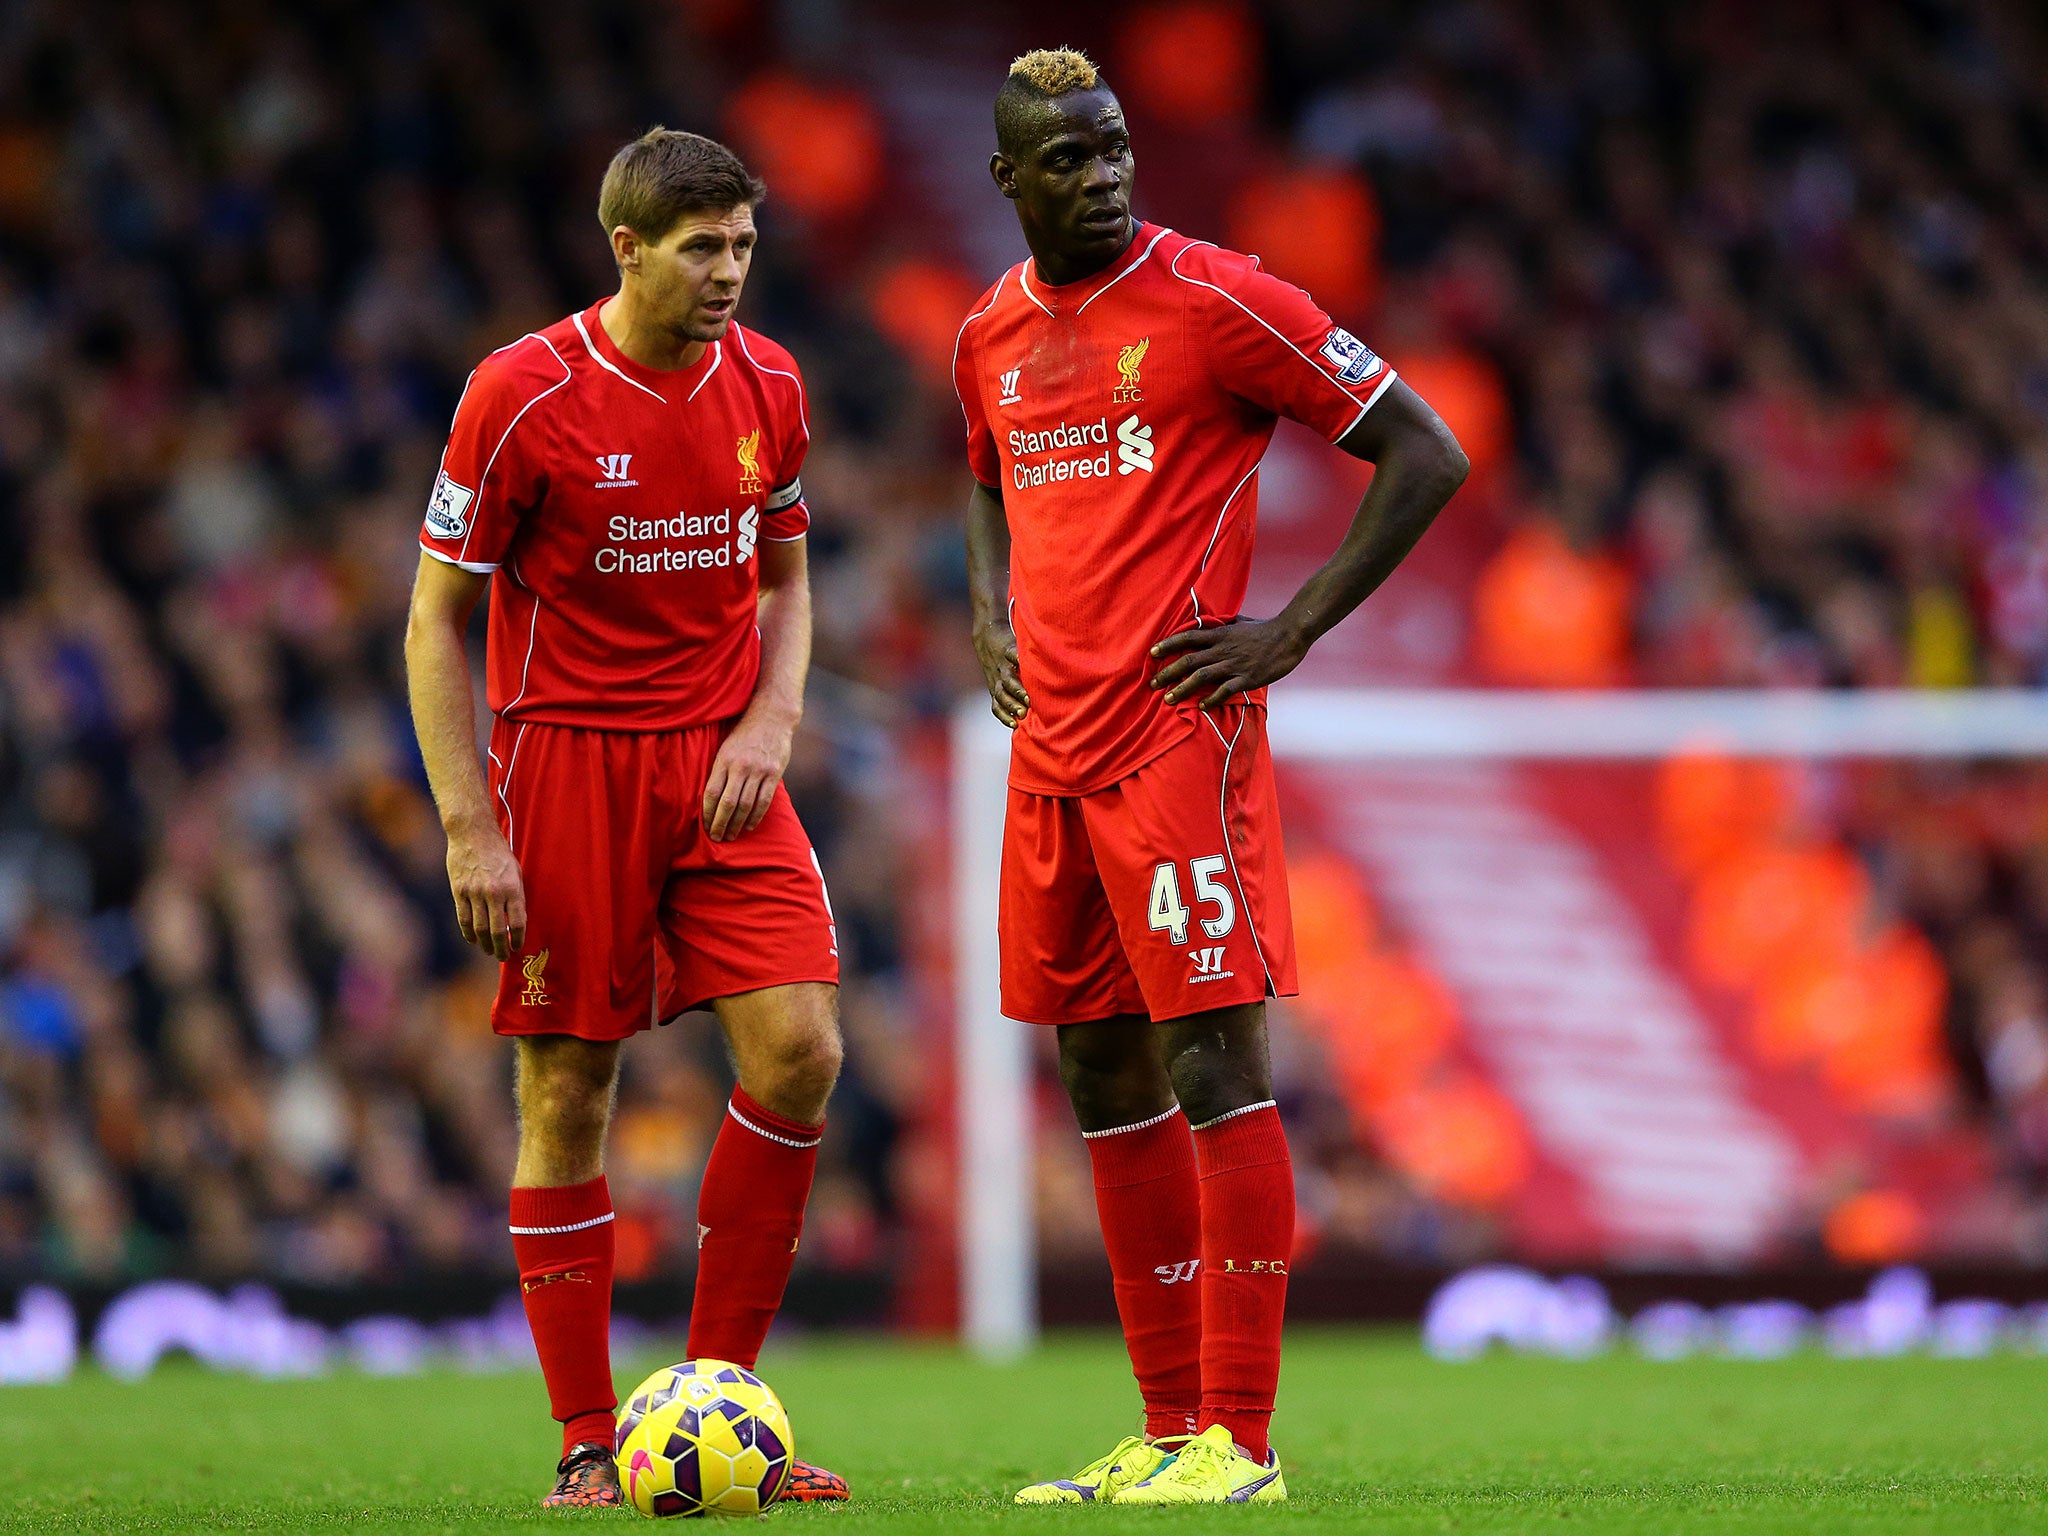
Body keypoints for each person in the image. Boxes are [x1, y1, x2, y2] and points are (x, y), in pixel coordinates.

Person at [955, 49, 1470, 1505]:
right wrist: (992, 616)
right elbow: (984, 473)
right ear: (1010, 181)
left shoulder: (1224, 299)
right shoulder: (986, 331)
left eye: (1114, 146)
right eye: (1067, 159)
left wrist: (1288, 632)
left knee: (1210, 1068)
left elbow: (1426, 453)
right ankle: (1166, 1429)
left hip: (1181, 743)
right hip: (1053, 756)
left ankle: (1240, 1442)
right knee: (1099, 1070)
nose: (1104, 172)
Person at [405, 127, 849, 1509]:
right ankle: (588, 1444)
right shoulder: (520, 395)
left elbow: (786, 582)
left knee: (801, 1052)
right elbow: (434, 621)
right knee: (568, 1090)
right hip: (568, 768)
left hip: (723, 766)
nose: (728, 274)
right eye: (702, 248)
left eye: (743, 247)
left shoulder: (770, 383)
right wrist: (471, 828)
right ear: (628, 249)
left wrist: (773, 722)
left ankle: (721, 1412)